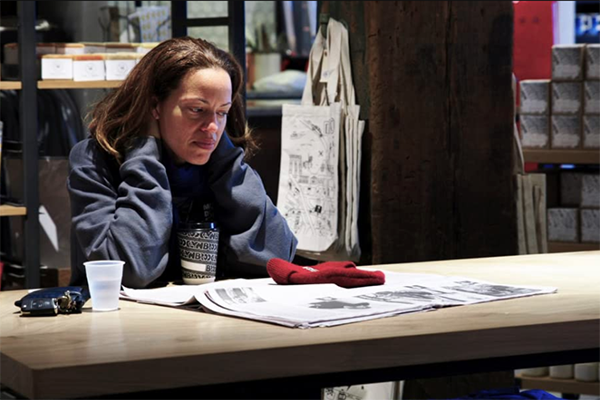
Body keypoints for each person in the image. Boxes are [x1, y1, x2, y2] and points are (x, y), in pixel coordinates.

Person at [68, 36, 298, 288]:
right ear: (154, 105)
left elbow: (276, 259)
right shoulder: (95, 160)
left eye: (222, 112)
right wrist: (144, 153)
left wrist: (225, 158)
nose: (213, 127)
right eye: (197, 110)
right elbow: (128, 270)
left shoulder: (223, 163)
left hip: (209, 321)